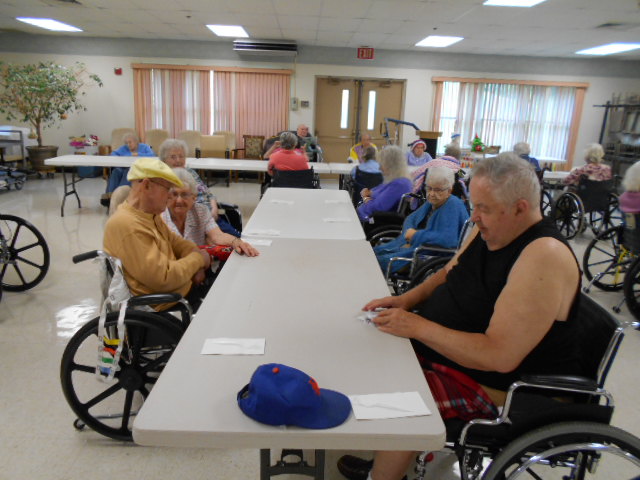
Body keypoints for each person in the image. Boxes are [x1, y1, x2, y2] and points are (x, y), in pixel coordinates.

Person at [338, 153, 581, 480]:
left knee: (401, 395)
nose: (474, 216)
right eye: (474, 205)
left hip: (502, 386)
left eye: (484, 208)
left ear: (520, 208)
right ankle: (388, 460)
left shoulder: (543, 255)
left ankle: (384, 474)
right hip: (454, 355)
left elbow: (499, 356)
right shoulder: (493, 230)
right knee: (372, 349)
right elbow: (447, 273)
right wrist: (404, 301)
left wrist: (418, 326)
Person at [103, 157, 212, 312]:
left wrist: (195, 255)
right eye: (167, 189)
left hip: (180, 291)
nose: (169, 196)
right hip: (166, 306)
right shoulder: (127, 225)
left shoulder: (148, 215)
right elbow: (165, 278)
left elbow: (177, 243)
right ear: (146, 185)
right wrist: (199, 259)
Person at [373, 167, 469, 274]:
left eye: (438, 190)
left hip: (429, 257)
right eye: (429, 188)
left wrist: (415, 236)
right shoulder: (432, 202)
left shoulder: (453, 205)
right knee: (372, 253)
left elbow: (447, 240)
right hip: (415, 249)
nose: (431, 194)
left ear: (449, 190)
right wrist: (409, 237)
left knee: (374, 262)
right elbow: (411, 219)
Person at [161, 167, 258, 256]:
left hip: (198, 264)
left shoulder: (201, 211)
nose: (179, 200)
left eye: (184, 194)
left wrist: (235, 241)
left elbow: (217, 235)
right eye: (174, 194)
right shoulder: (159, 217)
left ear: (194, 197)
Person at [357, 145, 412, 222]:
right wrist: (370, 195)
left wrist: (366, 198)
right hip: (368, 216)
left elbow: (377, 207)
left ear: (390, 164)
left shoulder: (400, 184)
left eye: (381, 164)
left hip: (371, 220)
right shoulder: (396, 180)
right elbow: (375, 192)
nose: (379, 168)